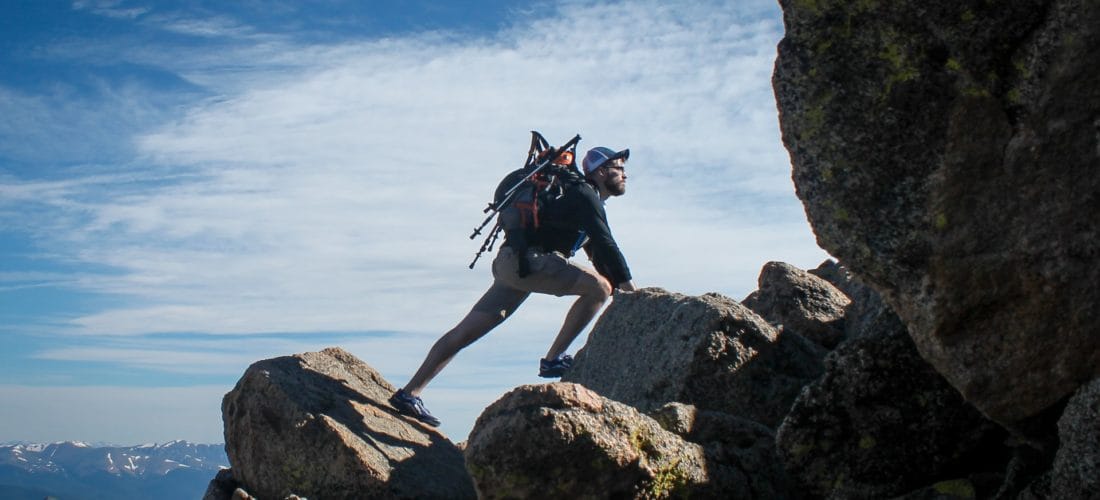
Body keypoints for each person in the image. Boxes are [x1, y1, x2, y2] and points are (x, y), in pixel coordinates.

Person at [389, 145, 637, 426]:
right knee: (599, 288)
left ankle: (409, 393)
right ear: (601, 171)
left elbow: (600, 254)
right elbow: (606, 244)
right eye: (620, 169)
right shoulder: (584, 195)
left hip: (513, 263)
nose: (625, 175)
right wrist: (633, 294)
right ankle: (554, 359)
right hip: (527, 262)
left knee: (465, 332)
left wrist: (626, 292)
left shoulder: (581, 198)